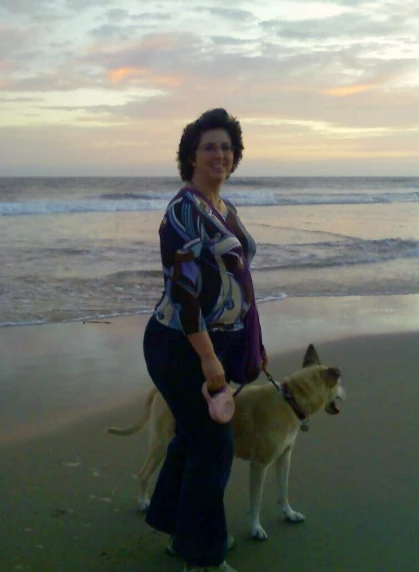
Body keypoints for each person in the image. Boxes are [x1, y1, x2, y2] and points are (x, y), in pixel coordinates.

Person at [142, 108, 268, 572]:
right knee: (214, 447)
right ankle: (203, 555)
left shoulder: (225, 209)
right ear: (191, 156)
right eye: (210, 146)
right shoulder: (183, 211)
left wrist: (252, 343)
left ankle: (178, 528)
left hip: (220, 342)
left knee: (194, 440)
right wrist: (211, 362)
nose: (220, 153)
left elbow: (242, 281)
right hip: (180, 346)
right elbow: (184, 293)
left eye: (227, 146)